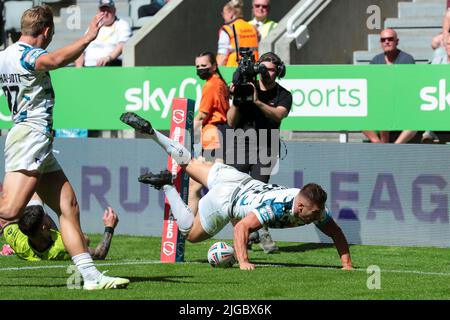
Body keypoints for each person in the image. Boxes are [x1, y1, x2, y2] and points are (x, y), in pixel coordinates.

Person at [119, 112, 353, 271]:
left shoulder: (314, 207)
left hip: (236, 178)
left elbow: (336, 232)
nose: (316, 218)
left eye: (317, 214)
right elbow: (242, 227)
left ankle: (152, 133)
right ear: (300, 206)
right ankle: (167, 186)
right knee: (190, 234)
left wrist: (347, 264)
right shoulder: (277, 208)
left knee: (187, 161)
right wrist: (243, 261)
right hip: (226, 199)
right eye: (312, 214)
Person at [0, 5, 129, 290]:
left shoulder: (4, 55)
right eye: (50, 36)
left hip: (33, 139)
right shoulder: (27, 55)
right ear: (46, 31)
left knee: (68, 206)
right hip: (30, 136)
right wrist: (87, 38)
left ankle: (91, 277)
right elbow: (56, 59)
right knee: (9, 211)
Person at [227, 52, 291, 253]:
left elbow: (279, 114)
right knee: (231, 193)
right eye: (262, 68)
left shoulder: (283, 94)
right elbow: (230, 121)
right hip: (240, 144)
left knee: (258, 195)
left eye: (271, 69)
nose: (266, 73)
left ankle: (261, 233)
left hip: (266, 146)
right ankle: (244, 237)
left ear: (278, 71)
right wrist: (238, 100)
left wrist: (256, 101)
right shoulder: (247, 87)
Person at [189, 51, 230, 214]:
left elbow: (202, 115)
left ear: (214, 66)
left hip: (213, 134)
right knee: (213, 184)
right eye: (197, 66)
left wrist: (184, 132)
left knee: (197, 187)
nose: (200, 69)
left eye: (204, 66)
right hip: (219, 133)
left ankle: (188, 229)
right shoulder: (219, 82)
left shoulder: (211, 84)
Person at [3, 204, 119, 261]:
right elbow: (99, 254)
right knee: (85, 239)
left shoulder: (17, 239)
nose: (47, 216)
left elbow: (5, 223)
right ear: (44, 227)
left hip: (35, 241)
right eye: (45, 216)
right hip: (54, 241)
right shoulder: (63, 247)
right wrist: (109, 227)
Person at [364, 28, 417, 144]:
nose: (386, 42)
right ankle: (378, 143)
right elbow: (370, 84)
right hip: (381, 105)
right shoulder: (376, 61)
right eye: (383, 40)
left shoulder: (407, 60)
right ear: (380, 43)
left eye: (390, 39)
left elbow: (410, 87)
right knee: (358, 113)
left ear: (397, 41)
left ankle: (395, 147)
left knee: (415, 123)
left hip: (402, 105)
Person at [75, 0, 132, 68]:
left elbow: (122, 45)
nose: (105, 13)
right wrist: (79, 67)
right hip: (87, 67)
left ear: (114, 11)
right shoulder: (94, 26)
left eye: (108, 10)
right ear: (99, 12)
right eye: (103, 10)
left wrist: (109, 58)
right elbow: (82, 46)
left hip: (109, 66)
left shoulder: (122, 24)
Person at [217, 0, 259, 67]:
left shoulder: (227, 29)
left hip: (233, 71)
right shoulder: (253, 28)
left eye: (223, 13)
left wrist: (216, 72)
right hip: (253, 70)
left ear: (230, 13)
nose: (223, 16)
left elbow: (222, 56)